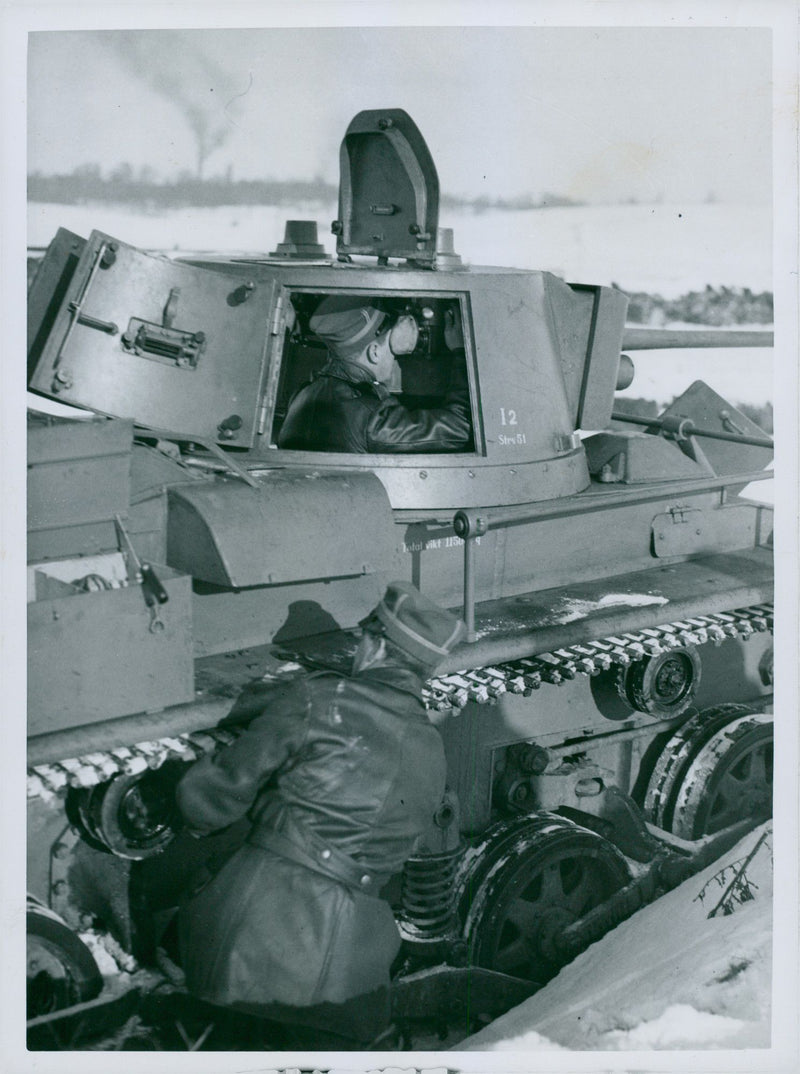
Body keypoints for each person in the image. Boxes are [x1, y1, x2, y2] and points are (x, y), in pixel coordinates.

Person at [175, 581, 466, 1049]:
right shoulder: (433, 751)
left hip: (259, 931)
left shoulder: (321, 699)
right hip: (354, 966)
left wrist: (183, 805)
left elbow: (219, 792)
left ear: (373, 645)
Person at [277, 296, 472, 452]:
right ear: (374, 353)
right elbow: (459, 428)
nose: (395, 358)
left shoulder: (301, 395)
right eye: (391, 347)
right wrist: (461, 350)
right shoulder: (372, 422)